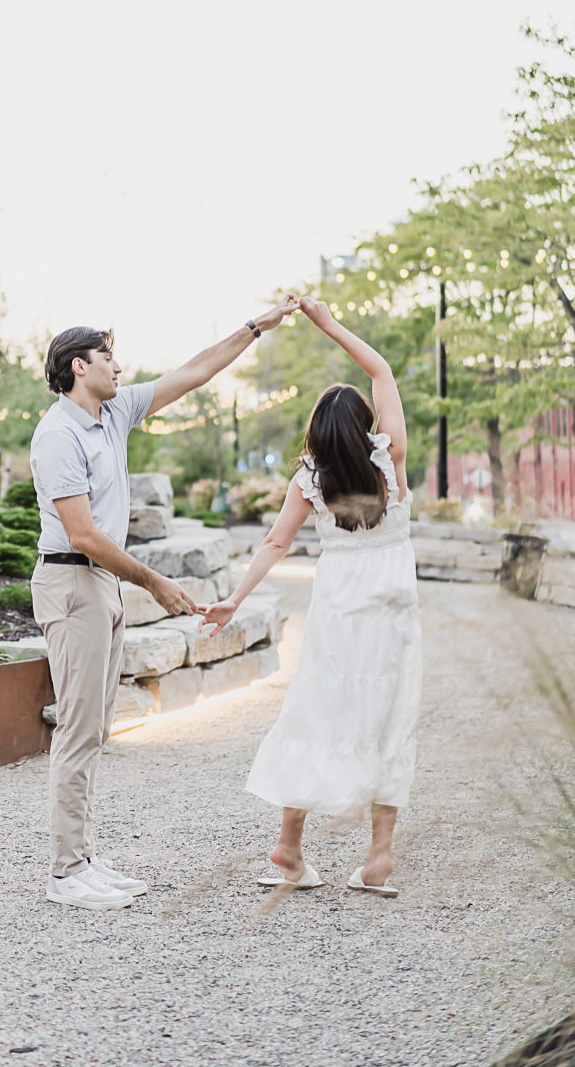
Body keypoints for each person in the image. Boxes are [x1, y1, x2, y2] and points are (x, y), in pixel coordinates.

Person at [30, 299, 297, 911]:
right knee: (77, 729)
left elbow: (195, 371)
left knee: (95, 727)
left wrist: (255, 328)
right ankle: (66, 872)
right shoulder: (58, 434)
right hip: (73, 583)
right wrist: (154, 582)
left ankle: (83, 858)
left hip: (101, 586)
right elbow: (83, 534)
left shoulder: (113, 412)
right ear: (78, 367)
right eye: (107, 357)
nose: (118, 367)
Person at [201, 296, 422, 898]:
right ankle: (377, 859)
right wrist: (328, 324)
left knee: (315, 714)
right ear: (363, 427)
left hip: (336, 618)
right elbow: (381, 372)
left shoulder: (310, 479)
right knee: (388, 721)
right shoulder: (388, 461)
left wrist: (234, 600)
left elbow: (274, 543)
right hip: (393, 618)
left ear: (317, 434)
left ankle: (289, 847)